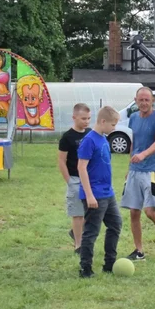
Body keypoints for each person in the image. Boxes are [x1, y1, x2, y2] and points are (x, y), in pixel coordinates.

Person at [122, 87, 155, 261]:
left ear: (152, 101)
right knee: (134, 212)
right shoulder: (134, 118)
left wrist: (143, 155)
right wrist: (129, 167)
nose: (144, 103)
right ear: (136, 100)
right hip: (135, 170)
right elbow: (134, 143)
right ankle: (139, 251)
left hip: (152, 170)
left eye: (147, 100)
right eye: (141, 100)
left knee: (150, 211)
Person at [77, 106, 123, 278]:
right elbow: (81, 167)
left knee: (116, 224)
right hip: (95, 195)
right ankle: (85, 269)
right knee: (91, 232)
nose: (114, 128)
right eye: (113, 124)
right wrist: (89, 194)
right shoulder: (89, 140)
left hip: (107, 193)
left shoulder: (103, 138)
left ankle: (110, 264)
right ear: (102, 121)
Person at [58, 103, 92, 254]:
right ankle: (78, 246)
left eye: (89, 118)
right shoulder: (67, 137)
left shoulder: (90, 133)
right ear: (74, 117)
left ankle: (76, 232)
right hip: (75, 179)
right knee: (77, 214)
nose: (86, 121)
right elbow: (61, 161)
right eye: (83, 118)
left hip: (90, 180)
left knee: (89, 213)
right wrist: (69, 181)